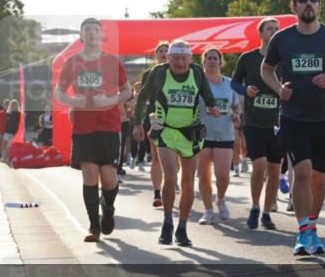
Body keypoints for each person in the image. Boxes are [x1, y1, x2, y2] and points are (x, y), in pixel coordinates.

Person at [262, 0, 325, 256]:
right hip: (294, 116)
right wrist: (279, 89)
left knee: (318, 178)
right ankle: (303, 232)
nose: (308, 4)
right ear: (293, 7)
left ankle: (312, 227)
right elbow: (266, 69)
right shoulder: (283, 39)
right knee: (301, 172)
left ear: (319, 5)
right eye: (302, 0)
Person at [134, 40, 219, 247]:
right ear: (168, 58)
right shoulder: (159, 72)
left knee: (188, 181)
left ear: (190, 59)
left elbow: (207, 95)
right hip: (166, 131)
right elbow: (143, 96)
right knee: (171, 176)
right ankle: (167, 223)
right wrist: (137, 124)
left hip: (190, 133)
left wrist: (212, 107)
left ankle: (182, 228)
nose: (180, 63)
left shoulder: (196, 72)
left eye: (184, 59)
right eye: (176, 59)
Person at [55, 19, 132, 242]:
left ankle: (108, 207)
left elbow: (127, 91)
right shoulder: (72, 62)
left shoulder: (112, 62)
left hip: (108, 124)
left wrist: (111, 100)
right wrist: (72, 101)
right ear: (81, 35)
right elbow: (59, 92)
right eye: (87, 30)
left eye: (95, 30)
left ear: (100, 35)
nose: (91, 33)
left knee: (109, 177)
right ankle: (93, 226)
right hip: (83, 125)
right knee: (89, 173)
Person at [231, 17, 284, 229]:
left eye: (277, 29)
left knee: (275, 169)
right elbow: (234, 82)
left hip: (277, 123)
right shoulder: (248, 58)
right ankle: (254, 206)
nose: (274, 32)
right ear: (261, 33)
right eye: (270, 29)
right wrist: (246, 90)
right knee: (260, 166)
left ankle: (267, 212)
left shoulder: (284, 59)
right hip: (253, 121)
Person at [197, 47, 242, 225]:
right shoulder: (198, 83)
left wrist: (236, 115)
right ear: (203, 62)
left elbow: (236, 106)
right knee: (204, 175)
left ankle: (220, 199)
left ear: (220, 62)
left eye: (215, 58)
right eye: (209, 58)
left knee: (222, 174)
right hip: (202, 134)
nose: (212, 61)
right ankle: (207, 210)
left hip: (224, 133)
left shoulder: (229, 84)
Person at [140, 42, 170, 207]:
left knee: (173, 158)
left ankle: (170, 182)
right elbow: (143, 97)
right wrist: (138, 121)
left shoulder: (180, 72)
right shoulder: (148, 73)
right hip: (154, 116)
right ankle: (157, 193)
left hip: (176, 118)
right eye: (161, 51)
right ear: (156, 55)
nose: (164, 53)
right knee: (156, 155)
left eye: (167, 50)